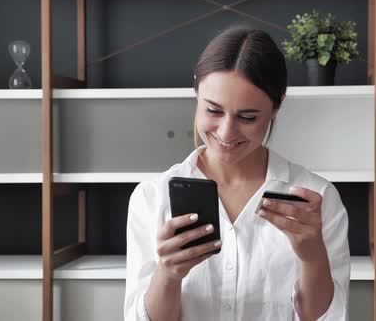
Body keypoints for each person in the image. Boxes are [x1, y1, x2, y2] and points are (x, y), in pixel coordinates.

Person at [124, 27, 350, 321]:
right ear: (196, 92)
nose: (226, 132)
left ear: (277, 105)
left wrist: (313, 258)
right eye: (213, 111)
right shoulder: (151, 197)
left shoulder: (316, 199)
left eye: (247, 117)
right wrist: (168, 274)